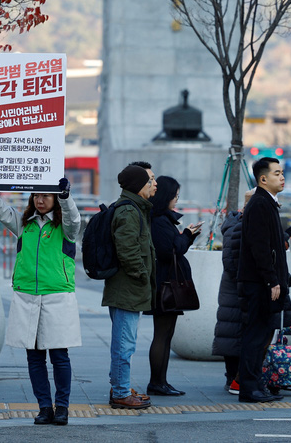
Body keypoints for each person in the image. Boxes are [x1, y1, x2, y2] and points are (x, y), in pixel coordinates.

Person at [0, 175, 80, 426]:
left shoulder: (66, 226)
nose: (40, 200)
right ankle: (44, 407)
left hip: (57, 294)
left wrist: (66, 198)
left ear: (55, 198)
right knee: (34, 356)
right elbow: (1, 211)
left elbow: (74, 218)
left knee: (59, 356)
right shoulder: (24, 223)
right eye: (36, 195)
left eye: (46, 195)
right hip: (26, 295)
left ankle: (62, 407)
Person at [103, 164, 156, 410]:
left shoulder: (135, 209)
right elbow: (128, 249)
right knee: (125, 344)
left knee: (124, 342)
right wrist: (142, 275)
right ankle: (122, 392)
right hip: (127, 287)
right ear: (139, 186)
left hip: (128, 287)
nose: (154, 185)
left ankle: (119, 387)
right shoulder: (129, 211)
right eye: (150, 181)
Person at [237, 157, 288, 403]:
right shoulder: (260, 203)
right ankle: (249, 387)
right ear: (263, 178)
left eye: (282, 172)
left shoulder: (267, 203)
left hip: (264, 281)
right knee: (255, 335)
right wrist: (272, 280)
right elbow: (259, 247)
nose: (282, 177)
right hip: (259, 283)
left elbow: (271, 245)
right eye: (277, 173)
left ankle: (255, 384)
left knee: (262, 334)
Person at [146, 176, 201, 397]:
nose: (176, 200)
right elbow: (169, 251)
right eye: (175, 195)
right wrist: (187, 235)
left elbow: (174, 247)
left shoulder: (160, 219)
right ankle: (156, 383)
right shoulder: (159, 220)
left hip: (164, 283)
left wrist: (187, 236)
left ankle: (161, 381)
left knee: (166, 334)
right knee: (162, 334)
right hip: (164, 285)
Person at [212, 188, 254, 395]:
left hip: (236, 290)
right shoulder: (239, 227)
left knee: (234, 333)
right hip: (236, 291)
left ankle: (234, 378)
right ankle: (233, 378)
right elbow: (232, 264)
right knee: (233, 334)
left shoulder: (238, 224)